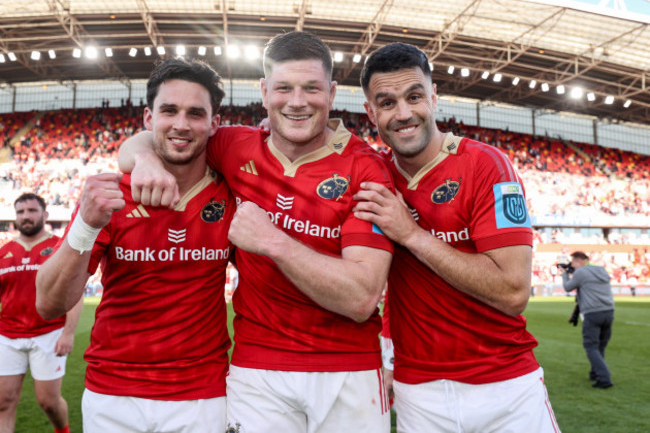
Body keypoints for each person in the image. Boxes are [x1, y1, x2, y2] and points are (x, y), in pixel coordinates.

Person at [118, 31, 394, 432]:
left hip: (348, 369)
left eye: (311, 89)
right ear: (264, 91)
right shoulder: (233, 145)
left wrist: (271, 241)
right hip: (258, 369)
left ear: (332, 93)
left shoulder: (367, 169)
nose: (296, 102)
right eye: (284, 88)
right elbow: (159, 137)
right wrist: (143, 159)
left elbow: (361, 297)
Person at [353, 42, 560, 432]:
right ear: (370, 111)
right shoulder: (373, 174)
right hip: (419, 394)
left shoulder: (485, 164)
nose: (403, 113)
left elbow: (513, 292)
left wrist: (411, 235)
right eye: (386, 102)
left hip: (506, 388)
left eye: (414, 96)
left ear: (433, 97)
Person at [35, 57, 235, 432]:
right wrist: (84, 224)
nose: (180, 124)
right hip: (113, 395)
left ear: (214, 124)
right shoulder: (110, 195)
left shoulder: (232, 193)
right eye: (169, 110)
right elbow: (48, 305)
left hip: (201, 396)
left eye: (195, 113)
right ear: (148, 119)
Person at [0, 193, 82, 433]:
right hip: (8, 335)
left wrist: (68, 333)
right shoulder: (4, 252)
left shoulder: (59, 247)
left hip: (49, 334)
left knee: (49, 403)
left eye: (32, 211)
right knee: (3, 403)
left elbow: (74, 293)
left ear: (45, 215)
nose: (26, 216)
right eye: (21, 212)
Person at [561, 251, 614, 389]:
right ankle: (595, 373)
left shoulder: (581, 272)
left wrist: (564, 273)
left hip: (592, 313)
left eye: (572, 263)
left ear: (579, 261)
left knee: (591, 347)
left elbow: (568, 287)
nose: (571, 265)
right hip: (608, 311)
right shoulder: (601, 270)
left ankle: (604, 378)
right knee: (600, 346)